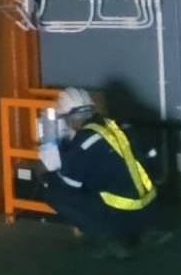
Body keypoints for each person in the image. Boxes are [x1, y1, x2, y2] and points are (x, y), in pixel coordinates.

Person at [38, 86, 168, 258]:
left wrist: (46, 174)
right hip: (149, 210)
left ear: (69, 118)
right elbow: (152, 156)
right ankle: (147, 231)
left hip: (121, 217)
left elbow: (69, 183)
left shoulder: (84, 142)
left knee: (53, 192)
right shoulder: (120, 126)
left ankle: (110, 239)